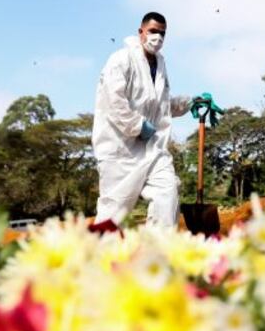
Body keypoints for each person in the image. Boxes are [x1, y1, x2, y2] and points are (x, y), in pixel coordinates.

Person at [92, 12, 222, 226]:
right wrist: (137, 125)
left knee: (168, 195)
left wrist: (191, 102)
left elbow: (160, 105)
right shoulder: (121, 60)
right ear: (141, 32)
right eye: (153, 31)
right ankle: (97, 257)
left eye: (162, 33)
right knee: (112, 214)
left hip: (153, 149)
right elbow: (112, 102)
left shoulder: (160, 65)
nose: (158, 37)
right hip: (120, 150)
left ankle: (156, 253)